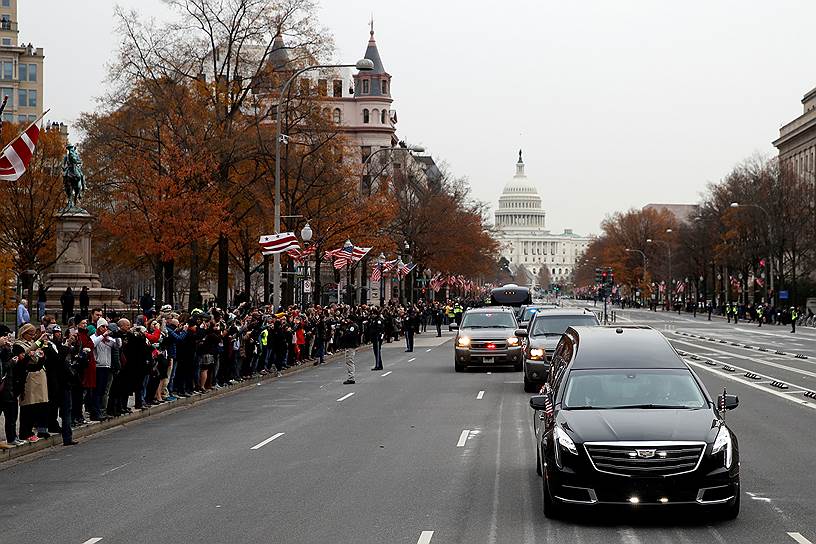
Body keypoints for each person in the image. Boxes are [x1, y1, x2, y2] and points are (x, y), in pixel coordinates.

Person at [14, 323, 50, 442]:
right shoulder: (19, 344)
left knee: (39, 404)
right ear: (24, 333)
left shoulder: (30, 343)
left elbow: (37, 356)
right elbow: (26, 355)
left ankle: (39, 428)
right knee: (28, 405)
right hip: (28, 376)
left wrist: (38, 351)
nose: (32, 336)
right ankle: (25, 432)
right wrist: (38, 343)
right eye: (30, 334)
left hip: (39, 373)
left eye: (34, 334)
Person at [339, 318, 359, 384]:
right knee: (349, 361)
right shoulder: (351, 326)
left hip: (350, 345)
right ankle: (351, 377)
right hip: (350, 345)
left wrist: (345, 332)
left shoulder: (353, 326)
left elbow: (350, 335)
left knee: (349, 361)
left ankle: (351, 378)